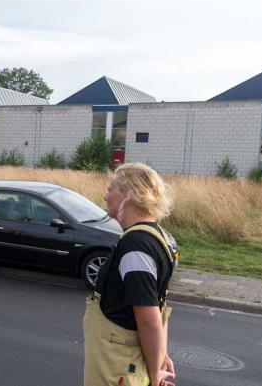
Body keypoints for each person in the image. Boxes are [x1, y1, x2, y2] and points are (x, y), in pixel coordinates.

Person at [83, 163, 180, 386]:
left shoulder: (136, 246)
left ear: (129, 195)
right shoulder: (161, 237)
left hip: (117, 369)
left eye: (110, 189)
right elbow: (159, 305)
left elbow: (150, 321)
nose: (105, 196)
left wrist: (155, 373)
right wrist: (160, 357)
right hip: (124, 365)